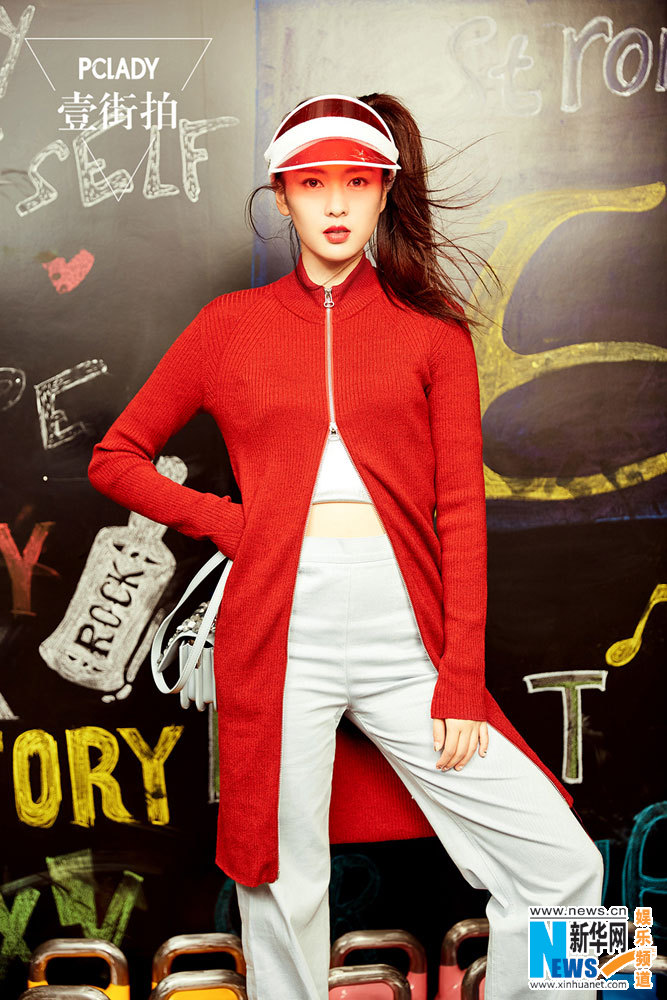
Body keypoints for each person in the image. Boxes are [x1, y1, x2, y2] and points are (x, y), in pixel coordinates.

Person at [88, 93, 604, 999]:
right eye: (312, 183)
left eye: (357, 183)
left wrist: (459, 675)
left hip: (406, 638)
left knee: (566, 863)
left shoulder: (433, 332)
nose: (335, 203)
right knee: (282, 885)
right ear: (282, 196)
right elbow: (114, 458)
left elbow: (461, 515)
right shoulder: (227, 326)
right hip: (276, 629)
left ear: (383, 193)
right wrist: (233, 524)